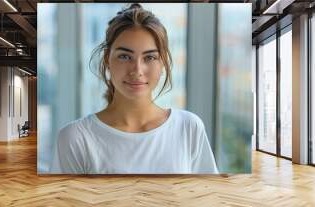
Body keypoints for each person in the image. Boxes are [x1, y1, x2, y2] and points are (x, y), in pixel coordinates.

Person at [50, 3, 218, 174]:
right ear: (107, 60)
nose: (137, 70)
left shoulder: (188, 127)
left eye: (150, 57)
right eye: (124, 56)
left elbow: (208, 196)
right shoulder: (76, 138)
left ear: (163, 63)